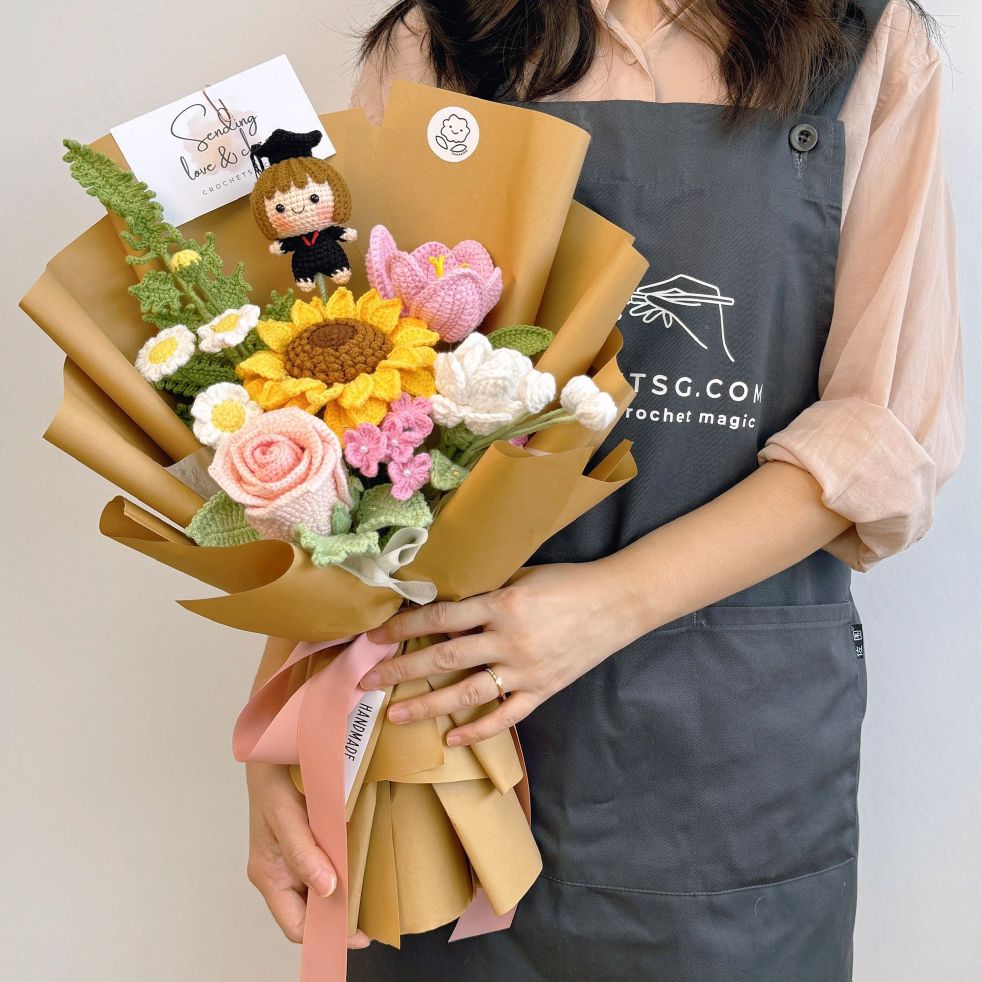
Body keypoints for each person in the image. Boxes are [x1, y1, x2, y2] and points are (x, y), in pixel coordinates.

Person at [245, 2, 965, 978]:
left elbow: (882, 428)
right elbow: (343, 404)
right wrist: (285, 718)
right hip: (439, 732)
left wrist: (601, 606)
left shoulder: (862, 43)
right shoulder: (449, 34)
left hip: (727, 739)